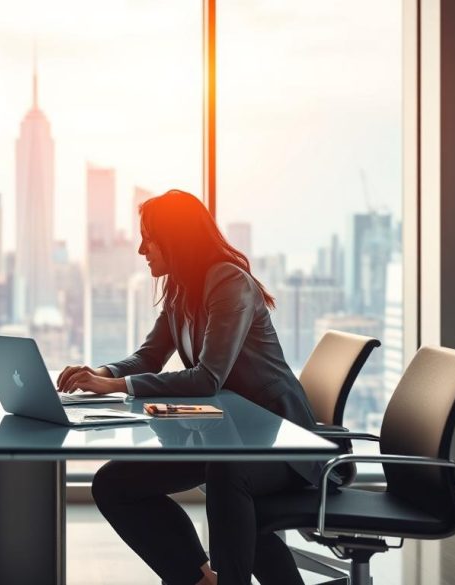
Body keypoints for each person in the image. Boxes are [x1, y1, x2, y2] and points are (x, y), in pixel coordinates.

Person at [56, 190, 326, 585]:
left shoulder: (229, 283)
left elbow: (206, 378)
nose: (140, 249)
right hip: (228, 439)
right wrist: (98, 374)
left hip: (281, 444)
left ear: (176, 238)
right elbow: (148, 357)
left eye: (149, 237)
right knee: (114, 484)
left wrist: (115, 384)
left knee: (226, 474)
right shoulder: (182, 288)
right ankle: (200, 580)